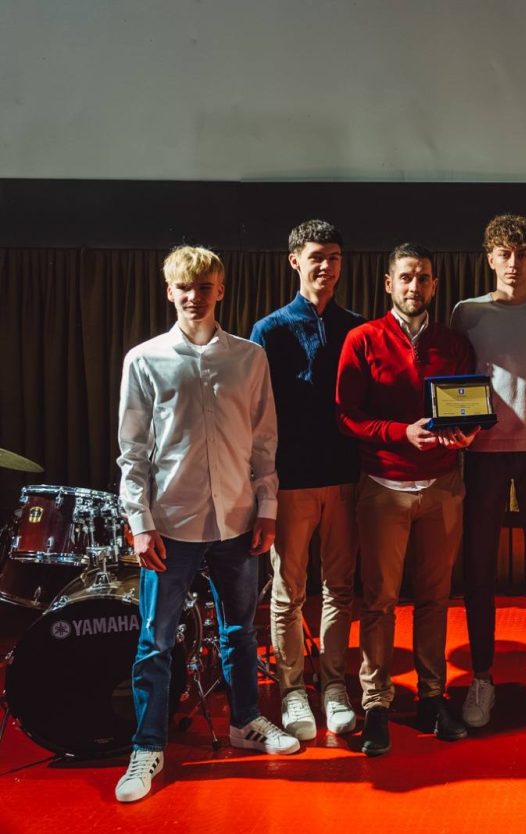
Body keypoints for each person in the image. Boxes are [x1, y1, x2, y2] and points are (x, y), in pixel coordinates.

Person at [115, 246, 298, 803]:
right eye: (184, 287)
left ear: (220, 290)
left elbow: (264, 441)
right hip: (171, 523)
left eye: (204, 286)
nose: (194, 296)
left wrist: (267, 508)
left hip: (237, 519)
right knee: (155, 641)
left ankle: (245, 723)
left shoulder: (249, 358)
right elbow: (133, 452)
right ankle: (148, 747)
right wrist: (140, 523)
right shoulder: (144, 359)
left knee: (241, 632)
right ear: (169, 291)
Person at [337, 243, 478, 755]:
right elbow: (347, 415)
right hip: (384, 489)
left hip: (443, 488)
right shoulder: (362, 339)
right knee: (379, 602)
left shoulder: (453, 343)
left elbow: (468, 405)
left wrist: (468, 433)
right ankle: (376, 704)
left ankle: (432, 698)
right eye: (405, 277)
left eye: (423, 278)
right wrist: (401, 433)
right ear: (388, 284)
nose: (414, 286)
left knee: (435, 600)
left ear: (434, 286)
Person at [451, 214, 526, 729]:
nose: (513, 263)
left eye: (522, 254)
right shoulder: (466, 312)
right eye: (504, 253)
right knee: (479, 570)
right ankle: (481, 678)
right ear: (490, 258)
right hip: (483, 454)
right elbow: (455, 384)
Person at [250, 219, 364, 741]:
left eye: (334, 257)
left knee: (339, 588)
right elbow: (257, 413)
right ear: (295, 260)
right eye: (317, 256)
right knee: (288, 592)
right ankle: (292, 687)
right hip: (291, 483)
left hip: (345, 480)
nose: (326, 266)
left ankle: (334, 685)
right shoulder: (269, 330)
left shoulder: (357, 328)